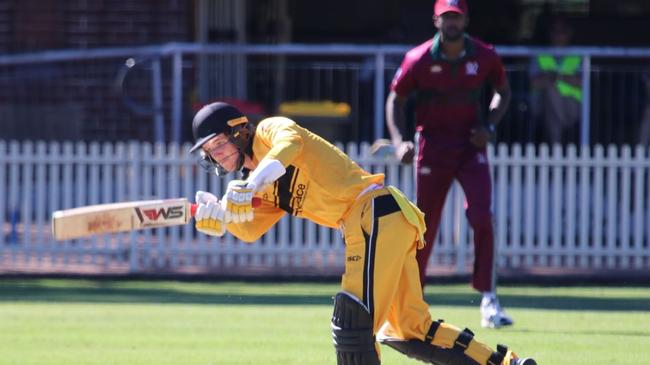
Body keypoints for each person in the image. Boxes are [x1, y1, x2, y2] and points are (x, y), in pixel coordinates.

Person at [189, 101, 536, 365]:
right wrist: (221, 220)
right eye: (210, 152)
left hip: (373, 212)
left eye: (218, 145)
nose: (216, 157)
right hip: (379, 221)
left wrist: (249, 185)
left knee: (353, 323)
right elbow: (250, 229)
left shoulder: (268, 130)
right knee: (408, 329)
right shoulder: (261, 188)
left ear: (239, 131)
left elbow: (288, 148)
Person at [385, 0, 514, 329]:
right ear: (436, 20)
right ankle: (413, 301)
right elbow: (395, 100)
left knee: (482, 216)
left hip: (471, 145)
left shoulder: (484, 55)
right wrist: (400, 141)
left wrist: (491, 126)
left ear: (466, 19)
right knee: (423, 225)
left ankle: (489, 298)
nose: (452, 22)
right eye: (446, 17)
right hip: (433, 146)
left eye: (456, 17)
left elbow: (502, 91)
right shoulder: (418, 58)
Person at [529, 16, 582, 144]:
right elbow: (533, 82)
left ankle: (556, 145)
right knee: (551, 92)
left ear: (569, 34)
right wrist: (564, 78)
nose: (558, 35)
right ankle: (560, 142)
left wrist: (553, 77)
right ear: (550, 34)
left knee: (552, 100)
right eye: (555, 31)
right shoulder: (540, 55)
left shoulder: (579, 55)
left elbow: (581, 82)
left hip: (572, 106)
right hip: (540, 105)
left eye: (562, 31)